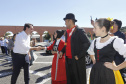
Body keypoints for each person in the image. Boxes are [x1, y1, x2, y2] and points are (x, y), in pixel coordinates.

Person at [88, 18, 125, 84]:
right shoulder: (95, 41)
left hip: (108, 73)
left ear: (103, 29)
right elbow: (91, 52)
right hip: (95, 72)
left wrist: (116, 67)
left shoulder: (115, 41)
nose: (93, 30)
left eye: (95, 28)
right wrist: (94, 60)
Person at [59, 13, 90, 84]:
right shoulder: (67, 32)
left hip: (77, 61)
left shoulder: (79, 31)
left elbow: (87, 43)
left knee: (78, 80)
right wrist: (62, 51)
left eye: (66, 21)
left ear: (70, 21)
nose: (65, 23)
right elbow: (66, 44)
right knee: (70, 80)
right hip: (68, 60)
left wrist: (79, 55)